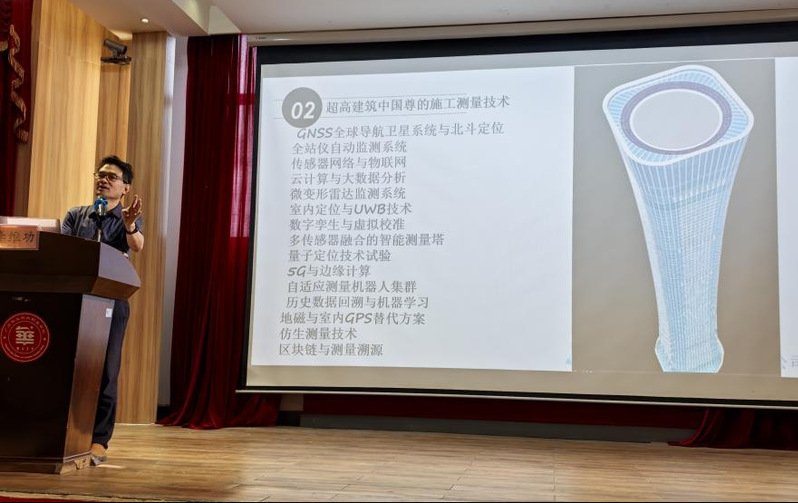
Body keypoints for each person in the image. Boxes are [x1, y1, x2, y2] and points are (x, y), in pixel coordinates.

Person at [61, 155, 144, 465]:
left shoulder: (127, 218)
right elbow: (63, 250)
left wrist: (129, 224)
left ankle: (99, 440)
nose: (104, 179)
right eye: (101, 174)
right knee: (71, 368)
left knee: (107, 372)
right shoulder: (76, 215)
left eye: (112, 176)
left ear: (125, 187)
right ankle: (68, 433)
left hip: (112, 302)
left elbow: (137, 245)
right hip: (76, 299)